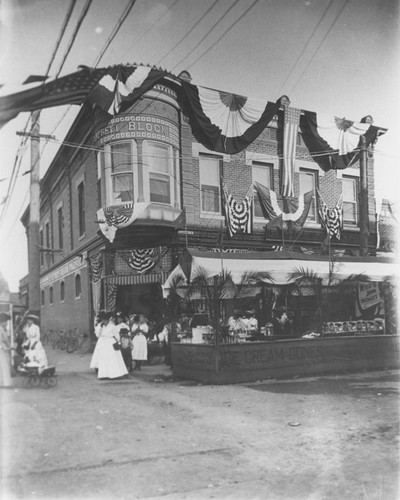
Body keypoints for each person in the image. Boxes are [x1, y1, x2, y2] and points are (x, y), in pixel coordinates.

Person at [90, 311, 128, 379]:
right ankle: (104, 374)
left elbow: (117, 336)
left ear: (108, 320)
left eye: (105, 320)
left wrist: (119, 342)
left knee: (112, 358)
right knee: (103, 359)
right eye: (103, 320)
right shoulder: (100, 326)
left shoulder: (112, 326)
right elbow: (98, 335)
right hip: (103, 343)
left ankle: (114, 374)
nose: (104, 321)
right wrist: (101, 328)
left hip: (110, 342)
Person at [0, 312, 13, 387]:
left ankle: (4, 383)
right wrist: (6, 348)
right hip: (1, 350)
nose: (6, 323)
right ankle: (3, 383)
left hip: (4, 350)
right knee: (2, 366)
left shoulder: (3, 329)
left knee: (5, 366)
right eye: (5, 322)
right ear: (2, 322)